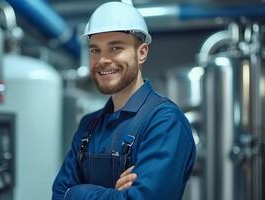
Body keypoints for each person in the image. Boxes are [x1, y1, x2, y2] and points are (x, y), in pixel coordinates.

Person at [52, 1, 196, 199]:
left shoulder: (165, 122)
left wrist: (77, 193)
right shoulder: (89, 126)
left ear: (141, 53)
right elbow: (59, 194)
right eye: (95, 50)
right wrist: (114, 195)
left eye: (115, 48)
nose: (103, 60)